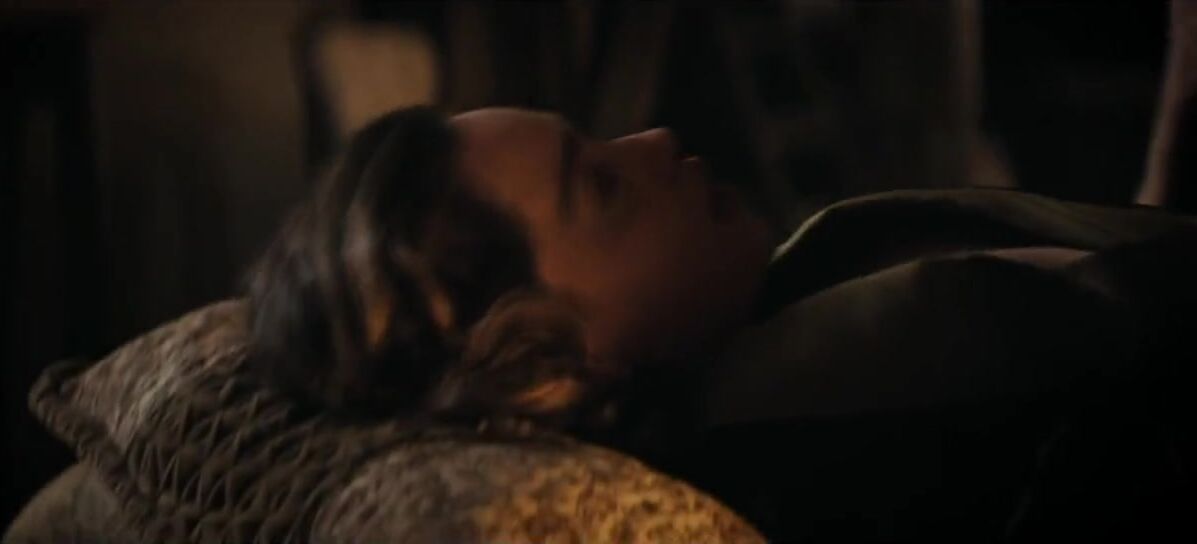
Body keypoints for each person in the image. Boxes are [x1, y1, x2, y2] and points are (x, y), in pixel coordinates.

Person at [247, 106, 1197, 541]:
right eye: (602, 186)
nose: (656, 140)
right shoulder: (860, 413)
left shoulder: (770, 315)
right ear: (539, 358)